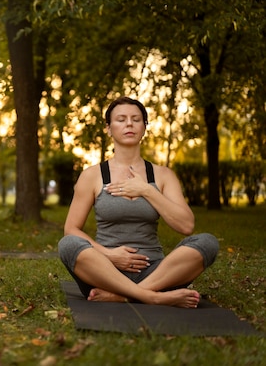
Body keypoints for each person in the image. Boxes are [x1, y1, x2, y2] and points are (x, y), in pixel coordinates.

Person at [58, 96, 218, 308]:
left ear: (144, 127)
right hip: (104, 273)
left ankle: (127, 295)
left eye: (136, 119)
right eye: (121, 119)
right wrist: (109, 255)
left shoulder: (162, 175)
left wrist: (146, 190)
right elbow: (71, 229)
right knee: (68, 245)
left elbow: (186, 225)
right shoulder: (92, 176)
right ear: (108, 128)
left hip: (157, 273)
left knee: (207, 243)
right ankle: (153, 297)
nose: (129, 124)